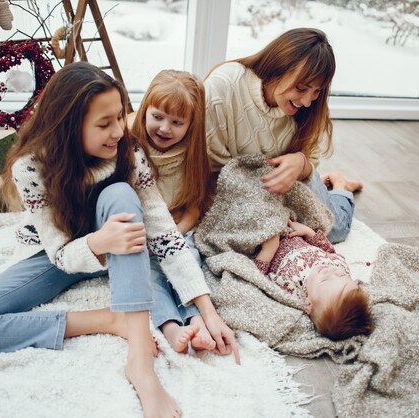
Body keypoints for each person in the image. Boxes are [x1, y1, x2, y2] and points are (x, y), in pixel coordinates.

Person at [0, 62, 237, 418]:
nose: (118, 131)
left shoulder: (128, 150)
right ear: (70, 124)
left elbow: (164, 233)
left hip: (118, 250)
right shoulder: (31, 167)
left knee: (122, 196)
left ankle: (140, 363)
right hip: (58, 256)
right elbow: (60, 254)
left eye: (118, 118)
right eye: (104, 124)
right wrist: (99, 243)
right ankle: (111, 320)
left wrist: (209, 310)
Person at [205, 28, 363, 244]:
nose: (307, 101)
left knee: (334, 231)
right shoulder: (224, 85)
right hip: (240, 187)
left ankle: (340, 187)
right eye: (301, 88)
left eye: (316, 92)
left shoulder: (310, 107)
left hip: (290, 179)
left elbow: (312, 157)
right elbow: (211, 164)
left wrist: (302, 163)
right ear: (278, 66)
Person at [131, 70, 220, 355]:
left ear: (191, 125)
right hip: (142, 235)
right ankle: (171, 327)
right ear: (145, 110)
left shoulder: (192, 156)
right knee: (150, 275)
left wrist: (173, 237)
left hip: (178, 229)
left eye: (177, 122)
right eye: (157, 117)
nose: (165, 128)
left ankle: (196, 319)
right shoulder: (129, 148)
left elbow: (193, 210)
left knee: (189, 261)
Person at [253, 220, 373, 341]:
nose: (330, 271)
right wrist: (308, 232)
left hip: (269, 240)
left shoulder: (291, 289)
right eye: (341, 275)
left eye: (324, 280)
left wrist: (268, 251)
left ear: (308, 304)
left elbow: (258, 279)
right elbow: (328, 250)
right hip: (296, 230)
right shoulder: (339, 267)